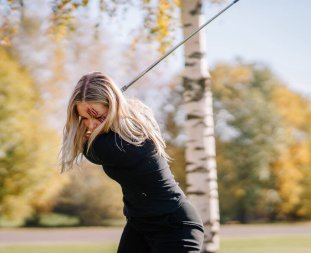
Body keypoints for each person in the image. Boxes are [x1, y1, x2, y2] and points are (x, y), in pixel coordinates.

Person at [61, 71, 204, 253]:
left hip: (174, 227)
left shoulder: (129, 139)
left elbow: (92, 150)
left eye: (98, 117)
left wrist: (87, 137)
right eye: (85, 118)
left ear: (114, 107)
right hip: (139, 225)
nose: (90, 125)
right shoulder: (114, 134)